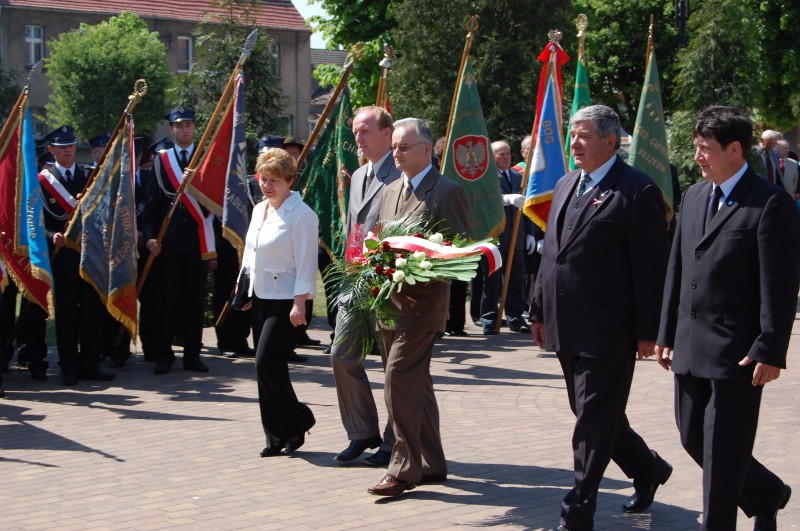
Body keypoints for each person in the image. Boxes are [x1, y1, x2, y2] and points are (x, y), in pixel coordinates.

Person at [530, 105, 672, 530]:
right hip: (564, 321)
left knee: (592, 421)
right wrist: (537, 309)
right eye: (573, 135)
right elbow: (552, 254)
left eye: (584, 136)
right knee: (593, 412)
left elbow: (652, 269)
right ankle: (648, 469)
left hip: (610, 328)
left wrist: (650, 330)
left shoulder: (637, 190)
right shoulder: (567, 182)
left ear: (611, 141)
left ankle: (578, 512)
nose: (575, 143)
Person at [656, 106, 798, 531]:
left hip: (739, 352)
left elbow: (780, 283)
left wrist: (771, 348)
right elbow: (677, 269)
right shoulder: (695, 196)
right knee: (692, 436)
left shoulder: (769, 202)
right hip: (689, 342)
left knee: (723, 448)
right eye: (697, 147)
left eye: (706, 149)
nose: (698, 156)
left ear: (735, 150)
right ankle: (764, 492)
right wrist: (665, 331)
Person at [368, 117, 469, 497]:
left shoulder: (447, 191)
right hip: (389, 304)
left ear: (427, 149)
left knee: (397, 382)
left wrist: (419, 267)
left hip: (423, 306)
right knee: (416, 384)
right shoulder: (391, 189)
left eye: (404, 147)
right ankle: (433, 461)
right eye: (394, 146)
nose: (397, 153)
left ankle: (403, 468)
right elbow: (380, 242)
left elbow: (457, 253)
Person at [330, 106, 399, 466]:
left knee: (393, 365)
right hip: (355, 279)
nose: (358, 138)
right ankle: (362, 432)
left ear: (388, 133)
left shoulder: (401, 172)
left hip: (388, 280)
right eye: (355, 132)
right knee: (341, 354)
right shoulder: (358, 174)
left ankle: (392, 442)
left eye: (365, 131)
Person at [242, 148, 317, 457]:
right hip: (261, 296)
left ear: (290, 180)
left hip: (288, 301)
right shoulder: (260, 209)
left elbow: (306, 262)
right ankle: (276, 436)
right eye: (263, 178)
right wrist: (243, 291)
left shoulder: (302, 215)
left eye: (274, 180)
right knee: (267, 371)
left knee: (266, 363)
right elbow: (250, 252)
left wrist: (300, 303)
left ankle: (299, 419)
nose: (267, 185)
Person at [143, 105, 215, 375]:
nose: (184, 129)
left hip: (198, 241)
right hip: (169, 243)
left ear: (194, 127)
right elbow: (151, 201)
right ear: (172, 129)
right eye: (179, 125)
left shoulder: (205, 158)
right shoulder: (162, 160)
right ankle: (164, 355)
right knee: (167, 302)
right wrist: (150, 235)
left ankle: (193, 357)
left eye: (188, 125)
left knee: (195, 302)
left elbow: (215, 203)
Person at [40, 126, 115, 386]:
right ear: (52, 150)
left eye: (71, 146)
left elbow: (104, 212)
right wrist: (52, 237)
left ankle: (90, 363)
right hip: (62, 257)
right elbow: (36, 220)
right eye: (62, 147)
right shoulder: (44, 180)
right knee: (67, 313)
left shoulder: (88, 176)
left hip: (89, 253)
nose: (68, 151)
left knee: (92, 311)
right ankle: (69, 366)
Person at [478, 139, 535, 335]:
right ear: (491, 157)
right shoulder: (487, 179)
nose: (506, 157)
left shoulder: (518, 177)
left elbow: (526, 207)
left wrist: (530, 233)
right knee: (492, 280)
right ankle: (489, 318)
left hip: (516, 237)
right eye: (501, 153)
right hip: (495, 238)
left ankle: (515, 317)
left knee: (515, 280)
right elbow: (483, 204)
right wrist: (504, 200)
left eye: (508, 153)